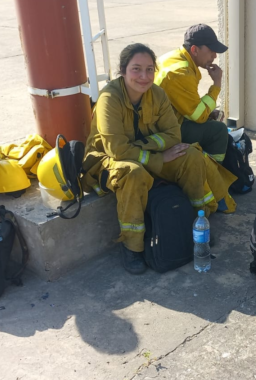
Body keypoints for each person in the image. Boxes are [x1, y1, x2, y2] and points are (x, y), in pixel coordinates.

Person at [82, 43, 236, 275]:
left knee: (191, 155)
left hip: (145, 154)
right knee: (133, 172)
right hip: (108, 160)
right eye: (136, 69)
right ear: (122, 71)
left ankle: (193, 225)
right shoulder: (109, 98)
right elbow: (116, 149)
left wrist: (153, 151)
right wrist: (158, 156)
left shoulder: (157, 94)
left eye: (149, 69)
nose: (144, 77)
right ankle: (132, 246)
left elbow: (173, 135)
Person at [154, 24, 229, 162]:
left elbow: (184, 102)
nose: (215, 56)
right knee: (219, 131)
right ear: (195, 50)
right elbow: (198, 116)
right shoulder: (181, 73)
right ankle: (215, 170)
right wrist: (217, 84)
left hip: (159, 121)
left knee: (210, 119)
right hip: (164, 130)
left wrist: (207, 114)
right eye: (211, 50)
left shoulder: (173, 57)